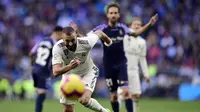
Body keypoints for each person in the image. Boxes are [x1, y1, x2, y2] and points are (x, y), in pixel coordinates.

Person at [90, 2, 157, 112]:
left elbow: (136, 33)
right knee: (114, 96)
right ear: (107, 15)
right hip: (108, 66)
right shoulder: (101, 29)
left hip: (121, 64)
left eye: (115, 13)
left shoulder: (123, 28)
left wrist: (149, 24)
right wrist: (77, 34)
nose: (113, 15)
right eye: (111, 13)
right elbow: (87, 37)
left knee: (126, 92)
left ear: (119, 15)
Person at [52, 26, 112, 112]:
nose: (70, 44)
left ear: (76, 36)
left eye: (72, 40)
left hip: (87, 72)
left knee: (84, 100)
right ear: (62, 38)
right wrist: (70, 66)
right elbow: (55, 71)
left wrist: (109, 42)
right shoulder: (58, 48)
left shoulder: (86, 42)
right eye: (67, 41)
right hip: (69, 76)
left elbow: (99, 33)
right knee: (67, 109)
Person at [29, 26, 63, 112]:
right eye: (61, 35)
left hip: (35, 69)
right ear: (57, 33)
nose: (61, 37)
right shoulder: (55, 43)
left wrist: (33, 64)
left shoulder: (41, 40)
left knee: (41, 92)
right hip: (43, 71)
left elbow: (31, 53)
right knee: (42, 93)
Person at [123, 17, 151, 112]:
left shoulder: (142, 42)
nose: (137, 26)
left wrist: (146, 74)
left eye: (139, 25)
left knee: (136, 95)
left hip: (134, 71)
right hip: (123, 70)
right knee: (122, 94)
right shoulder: (125, 37)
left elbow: (143, 60)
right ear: (131, 25)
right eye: (135, 24)